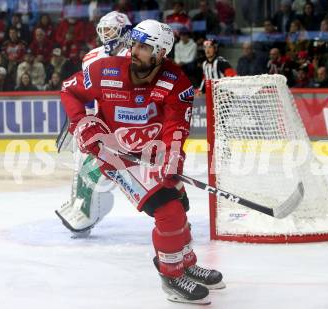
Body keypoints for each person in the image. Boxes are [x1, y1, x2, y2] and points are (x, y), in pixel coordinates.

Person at [60, 19, 225, 304]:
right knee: (168, 210)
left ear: (161, 53)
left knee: (180, 203)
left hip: (153, 153)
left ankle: (185, 263)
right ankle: (171, 276)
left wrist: (173, 159)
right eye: (134, 43)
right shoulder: (105, 70)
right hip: (117, 156)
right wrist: (82, 124)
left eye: (144, 47)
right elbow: (69, 90)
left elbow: (176, 126)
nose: (134, 51)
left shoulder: (176, 82)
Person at [55, 11, 132, 238]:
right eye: (103, 29)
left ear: (124, 31)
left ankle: (178, 210)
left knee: (94, 170)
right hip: (101, 121)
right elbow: (83, 92)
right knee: (80, 162)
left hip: (128, 126)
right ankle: (80, 205)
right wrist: (78, 123)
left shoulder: (136, 55)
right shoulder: (93, 56)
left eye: (110, 29)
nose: (105, 34)